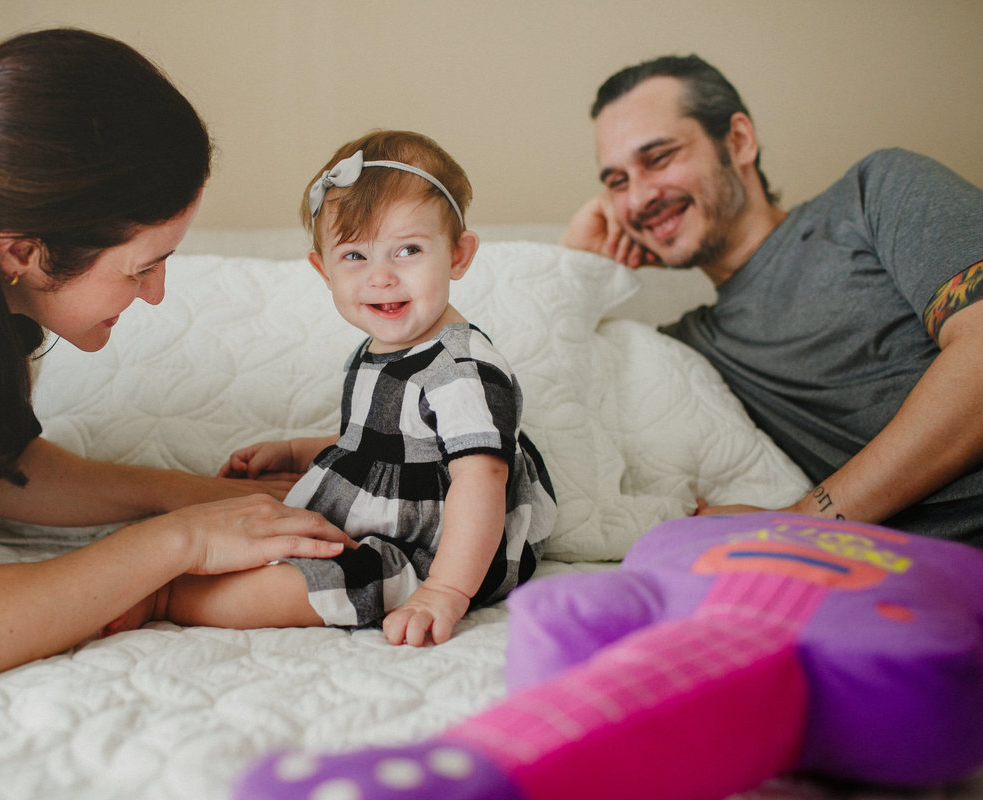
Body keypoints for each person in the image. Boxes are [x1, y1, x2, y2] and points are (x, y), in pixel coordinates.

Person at [0, 28, 352, 701]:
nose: (157, 292)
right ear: (22, 252)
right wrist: (180, 544)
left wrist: (190, 495)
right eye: (143, 266)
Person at [103, 130, 557, 646]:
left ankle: (166, 597)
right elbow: (381, 446)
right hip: (384, 520)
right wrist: (295, 450)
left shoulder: (462, 368)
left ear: (458, 255)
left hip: (435, 550)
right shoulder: (379, 349)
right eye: (355, 257)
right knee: (257, 529)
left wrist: (444, 590)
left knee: (303, 587)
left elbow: (480, 481)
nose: (381, 276)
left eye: (407, 250)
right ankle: (164, 572)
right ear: (323, 269)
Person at [560, 54, 983, 546]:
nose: (636, 200)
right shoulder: (688, 349)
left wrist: (806, 519)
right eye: (616, 182)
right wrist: (576, 266)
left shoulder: (876, 192)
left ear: (738, 140)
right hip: (926, 583)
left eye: (658, 159)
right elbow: (549, 379)